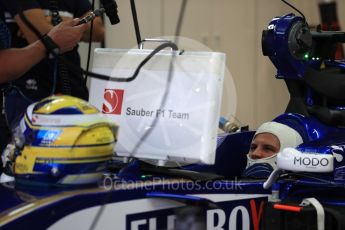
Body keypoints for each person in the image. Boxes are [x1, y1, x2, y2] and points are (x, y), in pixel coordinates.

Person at [0, 0, 104, 125]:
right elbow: (38, 33)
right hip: (29, 93)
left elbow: (98, 30)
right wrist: (71, 23)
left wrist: (52, 20)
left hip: (72, 85)